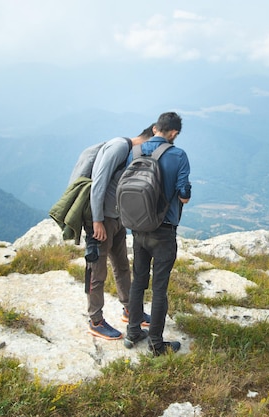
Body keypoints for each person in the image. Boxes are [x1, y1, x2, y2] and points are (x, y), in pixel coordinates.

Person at [124, 112, 191, 356]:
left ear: (155, 128)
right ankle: (155, 343)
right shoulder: (178, 155)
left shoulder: (136, 152)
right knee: (159, 287)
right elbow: (184, 194)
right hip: (163, 231)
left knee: (138, 281)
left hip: (138, 227)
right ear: (173, 133)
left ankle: (132, 332)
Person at [85, 125, 155, 340]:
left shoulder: (132, 153)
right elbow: (98, 184)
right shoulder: (118, 147)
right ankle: (95, 320)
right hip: (102, 220)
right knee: (97, 272)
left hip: (117, 219)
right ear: (150, 135)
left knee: (122, 266)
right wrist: (96, 220)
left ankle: (129, 309)